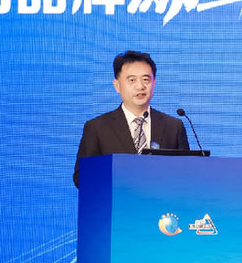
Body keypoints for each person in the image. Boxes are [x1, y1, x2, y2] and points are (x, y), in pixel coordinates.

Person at [73, 51, 190, 187]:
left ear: (154, 82)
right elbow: (82, 177)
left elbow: (186, 173)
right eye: (132, 80)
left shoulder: (174, 127)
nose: (140, 86)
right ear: (117, 85)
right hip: (118, 199)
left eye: (146, 79)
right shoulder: (97, 128)